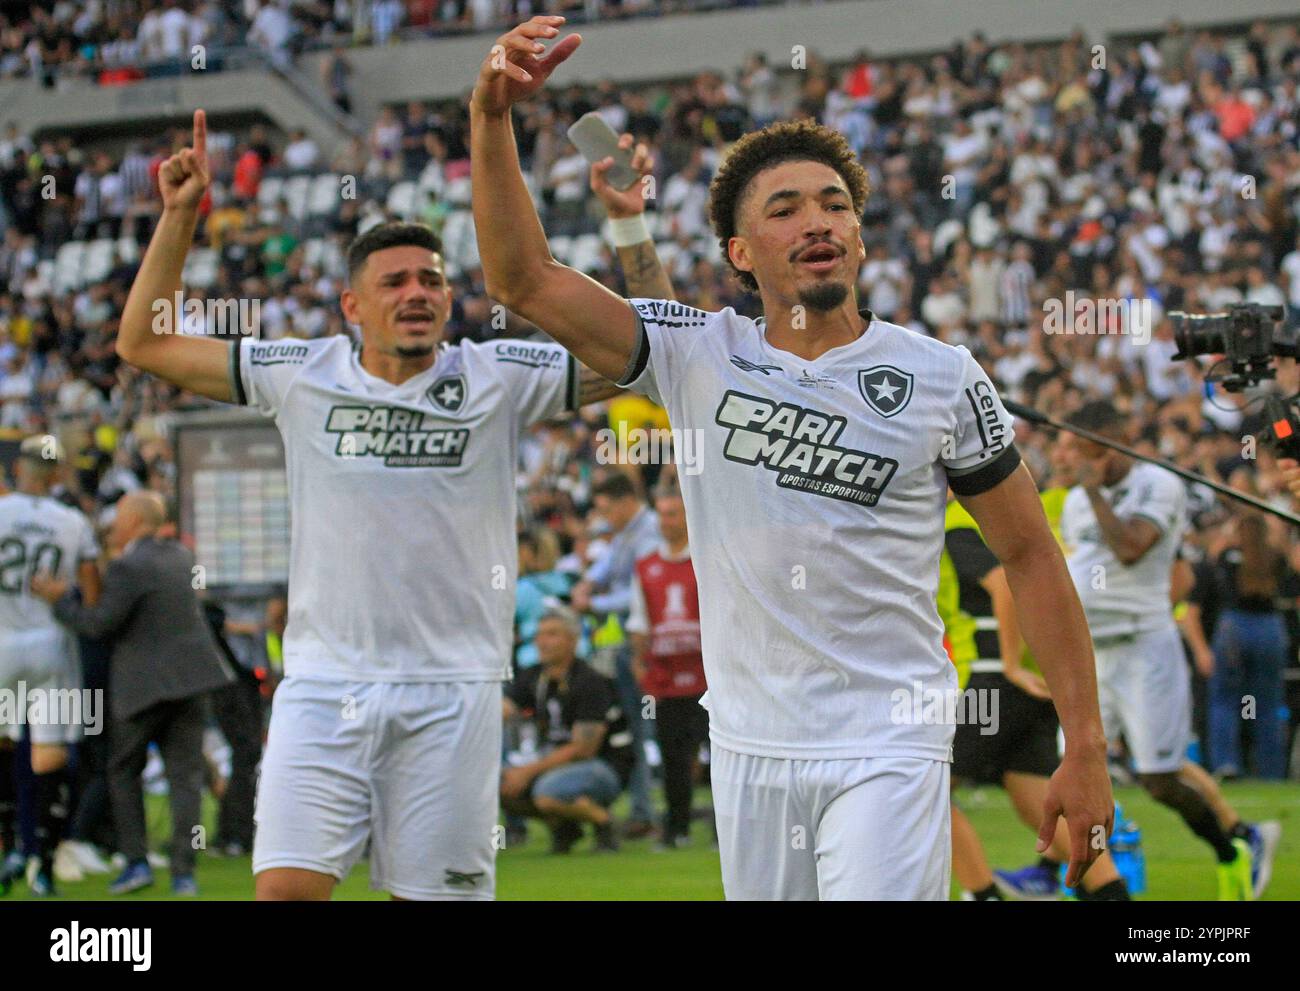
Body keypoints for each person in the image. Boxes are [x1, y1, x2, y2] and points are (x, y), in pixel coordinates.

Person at [470, 16, 1113, 900]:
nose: (817, 221)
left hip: (889, 742)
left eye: (835, 204)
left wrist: (1086, 744)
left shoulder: (940, 375)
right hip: (749, 750)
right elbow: (522, 279)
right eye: (784, 210)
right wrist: (491, 118)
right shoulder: (698, 353)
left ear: (858, 234)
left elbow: (1032, 553)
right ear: (739, 253)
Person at [111, 109, 670, 901]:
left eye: (432, 279)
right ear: (351, 305)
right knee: (284, 894)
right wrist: (178, 218)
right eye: (395, 282)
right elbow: (146, 342)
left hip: (454, 690)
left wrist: (627, 225)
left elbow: (657, 349)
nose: (417, 293)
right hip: (322, 684)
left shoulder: (499, 374)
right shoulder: (299, 372)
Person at [1058, 400, 1281, 899]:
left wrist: (1094, 492)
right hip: (1093, 652)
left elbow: (1132, 547)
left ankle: (1233, 846)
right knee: (1071, 773)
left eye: (1075, 446)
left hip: (1144, 649)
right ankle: (1098, 888)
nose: (1066, 455)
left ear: (1103, 444)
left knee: (1159, 779)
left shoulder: (1157, 485)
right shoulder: (1074, 501)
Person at [31, 491, 233, 897]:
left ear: (138, 522)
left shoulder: (129, 566)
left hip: (145, 686)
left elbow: (99, 625)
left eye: (120, 519)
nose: (113, 527)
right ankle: (184, 873)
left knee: (122, 771)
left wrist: (60, 601)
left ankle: (136, 861)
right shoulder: (179, 556)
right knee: (185, 779)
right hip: (193, 680)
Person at [0, 436, 101, 897]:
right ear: (58, 472)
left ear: (19, 469)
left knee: (4, 742)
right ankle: (42, 860)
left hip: (2, 640)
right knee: (51, 755)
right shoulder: (73, 522)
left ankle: (10, 850)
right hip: (50, 643)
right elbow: (93, 596)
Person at [571, 472, 660, 837]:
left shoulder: (649, 532)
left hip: (649, 647)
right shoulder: (625, 535)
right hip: (628, 645)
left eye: (608, 509)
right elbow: (603, 568)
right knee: (638, 729)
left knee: (654, 730)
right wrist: (586, 586)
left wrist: (593, 603)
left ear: (626, 501)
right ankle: (644, 811)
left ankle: (657, 813)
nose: (605, 518)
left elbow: (643, 593)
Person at [501, 607, 634, 853]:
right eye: (539, 635)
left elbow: (584, 749)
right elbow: (503, 710)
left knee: (547, 791)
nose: (542, 641)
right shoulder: (534, 677)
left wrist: (527, 772)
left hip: (605, 765)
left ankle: (603, 822)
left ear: (573, 640)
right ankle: (565, 827)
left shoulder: (590, 681)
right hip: (557, 763)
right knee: (497, 784)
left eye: (552, 634)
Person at [626, 483, 708, 849]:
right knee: (673, 758)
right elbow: (640, 623)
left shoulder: (706, 560)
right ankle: (677, 830)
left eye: (673, 514)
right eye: (661, 514)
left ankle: (724, 832)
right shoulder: (646, 568)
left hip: (708, 678)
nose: (666, 522)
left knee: (716, 756)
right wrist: (639, 664)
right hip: (666, 677)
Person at [1188, 512, 1290, 779]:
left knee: (1224, 700)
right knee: (1266, 703)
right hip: (1270, 628)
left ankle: (1227, 763)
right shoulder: (1274, 557)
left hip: (1234, 628)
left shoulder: (1226, 556)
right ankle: (1270, 768)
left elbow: (1206, 569)